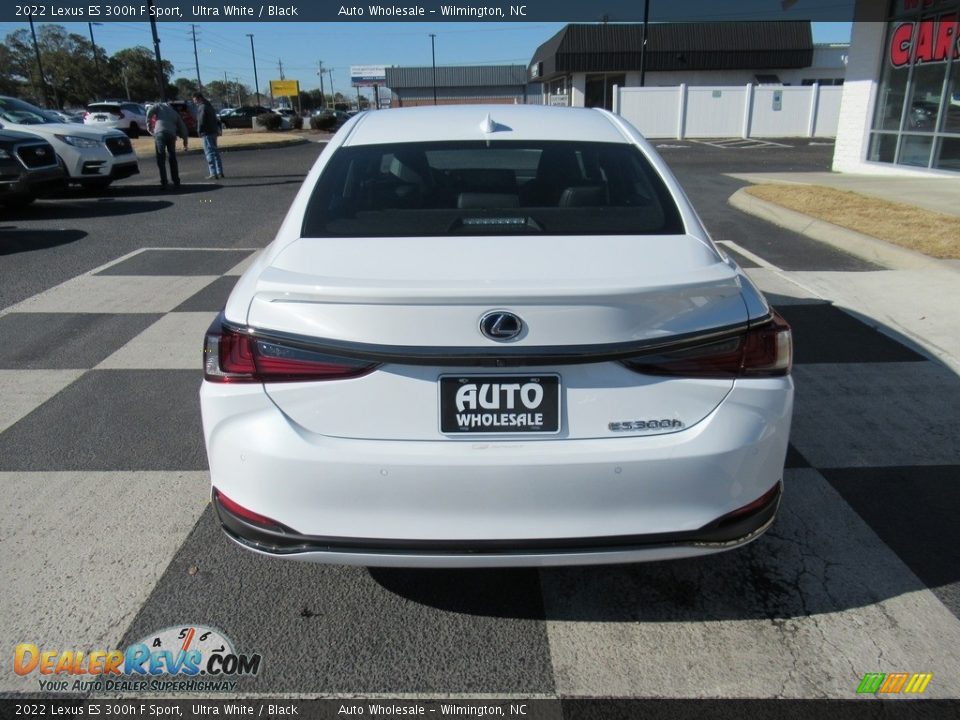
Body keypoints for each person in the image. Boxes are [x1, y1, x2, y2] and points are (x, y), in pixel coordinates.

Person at [145, 101, 188, 189]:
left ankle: (164, 182)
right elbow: (183, 128)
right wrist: (185, 141)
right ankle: (176, 180)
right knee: (172, 157)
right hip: (171, 135)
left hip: (160, 133)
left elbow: (149, 111)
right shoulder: (174, 113)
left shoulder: (159, 106)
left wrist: (149, 126)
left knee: (161, 158)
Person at [193, 92, 224, 179]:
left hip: (206, 132)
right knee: (215, 152)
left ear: (199, 98)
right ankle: (220, 171)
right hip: (213, 131)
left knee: (209, 152)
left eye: (195, 100)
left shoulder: (202, 107)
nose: (194, 102)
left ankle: (213, 172)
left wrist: (199, 130)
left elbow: (201, 120)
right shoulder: (210, 106)